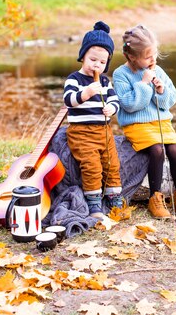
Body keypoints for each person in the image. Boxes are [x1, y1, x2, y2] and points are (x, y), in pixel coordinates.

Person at [112, 25, 176, 219]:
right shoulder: (120, 74)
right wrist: (145, 85)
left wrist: (161, 90)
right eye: (148, 57)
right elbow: (130, 105)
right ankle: (155, 198)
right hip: (136, 125)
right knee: (157, 150)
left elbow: (170, 101)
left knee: (174, 149)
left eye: (155, 54)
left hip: (161, 122)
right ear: (132, 57)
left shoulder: (159, 70)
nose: (153, 60)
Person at [64, 21, 123, 219]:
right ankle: (94, 202)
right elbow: (68, 101)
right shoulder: (74, 79)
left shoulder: (105, 81)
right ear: (83, 56)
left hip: (103, 131)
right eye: (92, 59)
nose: (97, 65)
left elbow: (115, 100)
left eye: (102, 62)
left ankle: (114, 196)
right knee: (91, 166)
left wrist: (111, 108)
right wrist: (86, 93)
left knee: (112, 163)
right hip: (82, 132)